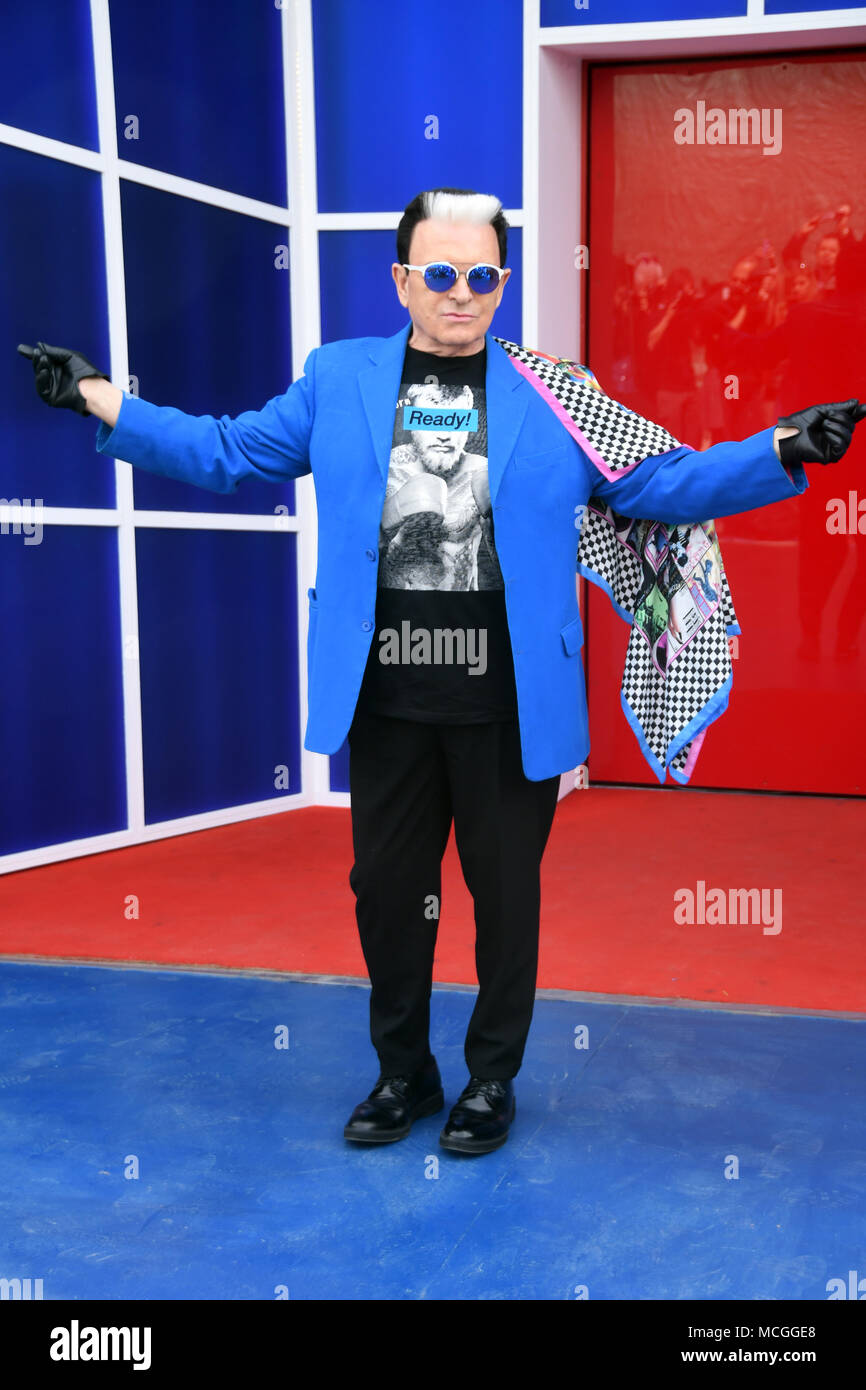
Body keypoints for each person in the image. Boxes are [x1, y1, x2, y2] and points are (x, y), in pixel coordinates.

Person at [18, 186, 865, 1157]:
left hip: (509, 702)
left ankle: (490, 1079)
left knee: (505, 898)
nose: (462, 293)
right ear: (401, 279)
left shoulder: (552, 391)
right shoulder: (337, 381)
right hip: (384, 697)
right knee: (386, 891)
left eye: (482, 276)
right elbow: (224, 452)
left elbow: (653, 485)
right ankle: (404, 1072)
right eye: (441, 274)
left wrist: (779, 448)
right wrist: (100, 398)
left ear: (500, 283)